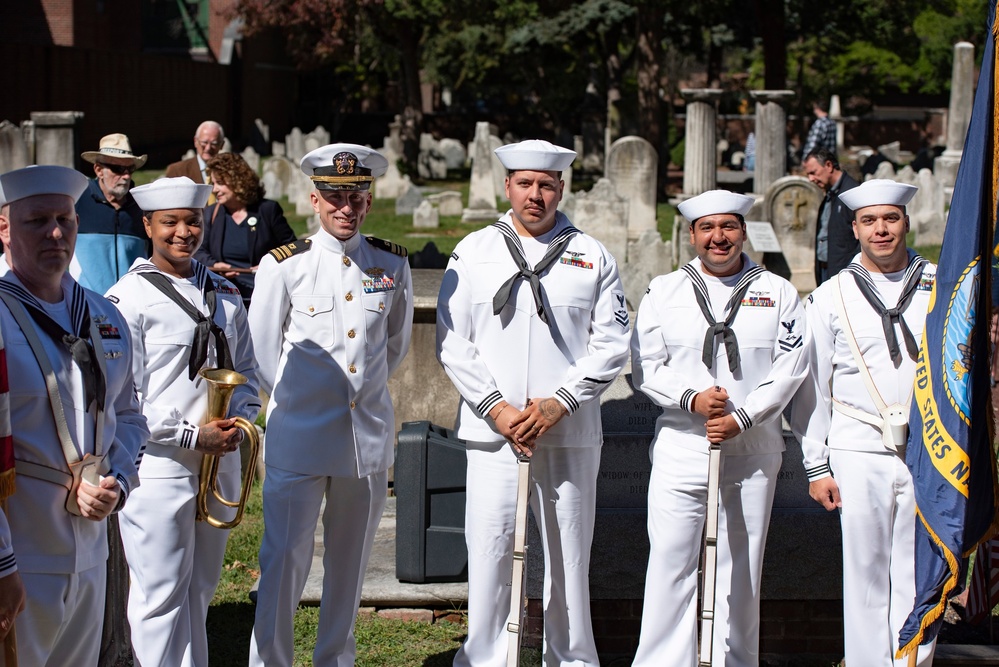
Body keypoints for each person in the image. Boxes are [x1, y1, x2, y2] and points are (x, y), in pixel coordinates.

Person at [437, 139, 631, 667]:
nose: (536, 195)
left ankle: (571, 659)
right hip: (492, 432)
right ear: (508, 187)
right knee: (491, 549)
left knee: (569, 555)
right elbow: (454, 342)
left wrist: (559, 402)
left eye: (546, 184)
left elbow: (612, 343)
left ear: (561, 188)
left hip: (566, 431)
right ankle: (485, 658)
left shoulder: (592, 255)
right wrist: (497, 409)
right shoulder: (474, 251)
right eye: (525, 184)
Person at [247, 143, 413, 667]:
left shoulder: (389, 263)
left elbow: (394, 345)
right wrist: (299, 403)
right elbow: (263, 353)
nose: (346, 207)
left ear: (369, 201)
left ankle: (335, 660)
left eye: (357, 196)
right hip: (299, 436)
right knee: (283, 564)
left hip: (364, 443)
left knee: (349, 567)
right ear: (313, 200)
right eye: (334, 196)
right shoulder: (284, 267)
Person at [629, 190, 809, 666]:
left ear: (743, 232)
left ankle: (733, 660)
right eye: (707, 228)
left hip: (753, 450)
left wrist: (742, 417)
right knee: (670, 564)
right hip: (682, 445)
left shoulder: (778, 291)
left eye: (728, 226)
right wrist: (692, 399)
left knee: (740, 570)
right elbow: (645, 364)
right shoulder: (664, 291)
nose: (718, 237)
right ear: (691, 235)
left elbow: (790, 367)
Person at [106, 177, 261, 667]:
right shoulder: (126, 298)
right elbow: (121, 395)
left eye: (192, 221)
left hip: (220, 461)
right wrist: (192, 434)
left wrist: (243, 418)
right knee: (159, 596)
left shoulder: (223, 290)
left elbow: (250, 370)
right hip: (160, 464)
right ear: (147, 225)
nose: (182, 232)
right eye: (169, 222)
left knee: (199, 591)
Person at [0, 164, 147, 665]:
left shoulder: (105, 315)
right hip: (23, 552)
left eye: (64, 219)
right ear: (4, 229)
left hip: (92, 554)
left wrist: (119, 482)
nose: (55, 233)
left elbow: (130, 416)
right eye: (36, 221)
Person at [791, 179, 937, 666]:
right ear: (853, 228)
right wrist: (816, 465)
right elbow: (812, 386)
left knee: (921, 572)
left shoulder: (939, 284)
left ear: (906, 223)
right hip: (856, 446)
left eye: (891, 218)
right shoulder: (830, 296)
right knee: (865, 574)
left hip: (928, 449)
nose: (881, 230)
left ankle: (913, 662)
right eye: (870, 221)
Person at [195, 152, 297, 307]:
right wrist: (215, 265)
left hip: (265, 294)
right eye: (213, 183)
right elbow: (198, 251)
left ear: (238, 180)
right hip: (225, 296)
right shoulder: (211, 214)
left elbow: (292, 248)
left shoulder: (267, 210)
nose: (214, 189)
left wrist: (269, 263)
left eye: (220, 183)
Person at [76, 133, 149, 294]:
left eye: (130, 169)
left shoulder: (142, 205)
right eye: (118, 169)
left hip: (132, 305)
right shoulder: (77, 202)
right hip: (86, 303)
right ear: (99, 170)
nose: (126, 176)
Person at [802, 148, 860, 284]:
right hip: (825, 271)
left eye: (813, 173)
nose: (810, 179)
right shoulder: (829, 194)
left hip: (844, 275)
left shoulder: (852, 194)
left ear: (828, 166)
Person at [166, 121, 225, 204]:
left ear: (222, 144)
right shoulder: (177, 171)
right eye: (204, 142)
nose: (208, 148)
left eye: (214, 143)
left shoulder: (229, 171)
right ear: (195, 141)